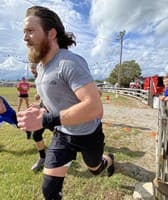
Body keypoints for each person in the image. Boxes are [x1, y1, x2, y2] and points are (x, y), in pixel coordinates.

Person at [18, 6, 115, 200]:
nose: (25, 37)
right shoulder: (40, 69)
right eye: (24, 32)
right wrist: (38, 109)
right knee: (50, 191)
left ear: (51, 33)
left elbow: (95, 108)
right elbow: (52, 102)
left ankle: (108, 160)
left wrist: (45, 120)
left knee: (95, 170)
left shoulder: (69, 63)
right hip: (62, 135)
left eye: (30, 30)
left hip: (88, 134)